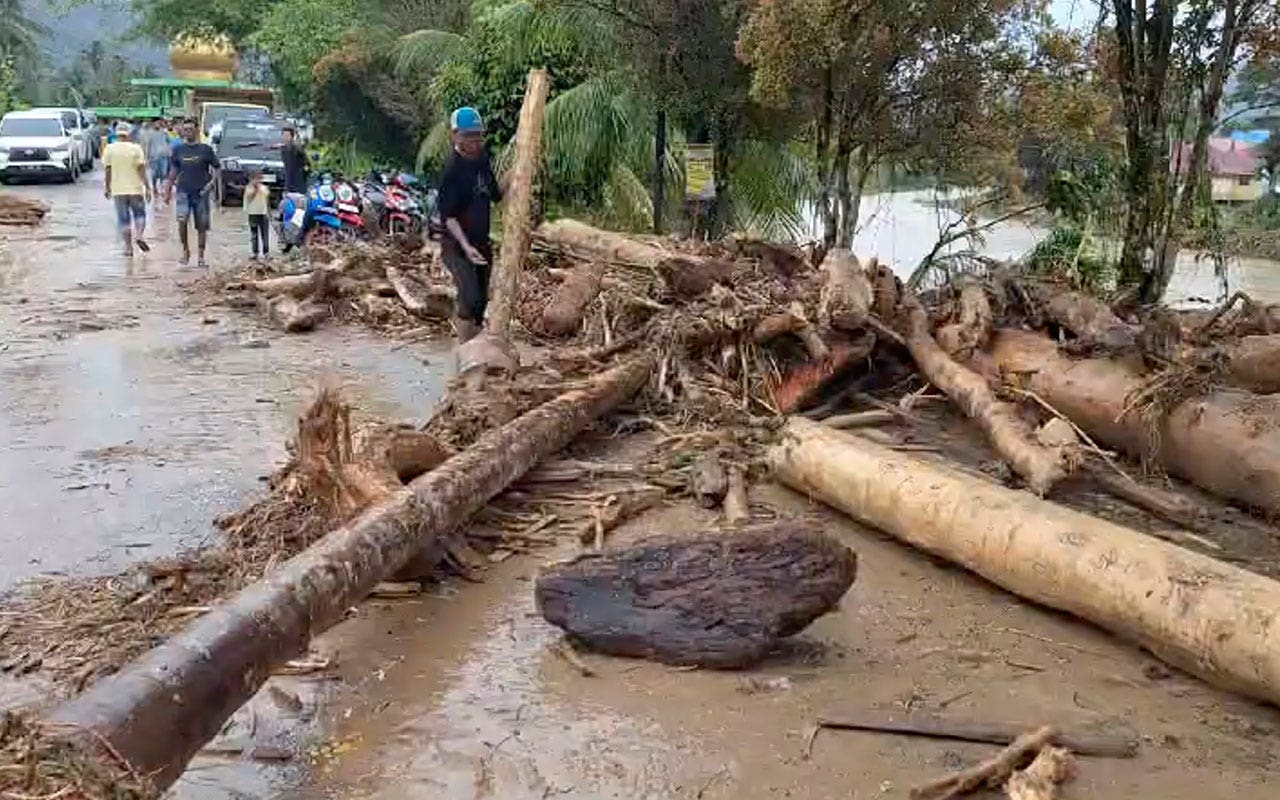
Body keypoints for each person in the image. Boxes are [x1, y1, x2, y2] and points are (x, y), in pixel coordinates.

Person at [437, 106, 501, 343]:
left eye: (477, 135)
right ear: (455, 135)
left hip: (481, 242)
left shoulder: (483, 159)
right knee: (469, 297)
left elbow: (495, 193)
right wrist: (466, 247)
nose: (474, 141)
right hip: (456, 245)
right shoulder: (451, 171)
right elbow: (449, 217)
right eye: (468, 136)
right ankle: (465, 351)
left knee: (482, 301)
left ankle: (478, 347)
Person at [166, 119, 220, 267]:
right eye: (185, 129)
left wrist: (211, 184)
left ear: (196, 130)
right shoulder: (178, 150)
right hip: (183, 191)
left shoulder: (206, 150)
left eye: (190, 129)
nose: (187, 132)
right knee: (182, 221)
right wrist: (167, 189)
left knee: (201, 225)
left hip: (202, 192)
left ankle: (201, 256)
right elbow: (173, 170)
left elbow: (217, 168)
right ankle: (185, 251)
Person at [102, 122, 151, 257]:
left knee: (124, 220)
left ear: (116, 134)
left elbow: (108, 170)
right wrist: (147, 187)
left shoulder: (109, 149)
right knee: (140, 215)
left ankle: (128, 248)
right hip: (135, 189)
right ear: (129, 134)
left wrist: (107, 187)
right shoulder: (136, 149)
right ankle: (139, 235)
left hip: (118, 190)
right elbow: (141, 169)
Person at [138, 121, 172, 201]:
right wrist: (146, 157)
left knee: (163, 173)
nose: (157, 125)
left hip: (164, 156)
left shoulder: (164, 133)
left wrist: (169, 153)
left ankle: (162, 190)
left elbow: (169, 142)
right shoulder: (150, 134)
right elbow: (147, 145)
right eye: (156, 124)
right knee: (155, 174)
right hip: (153, 157)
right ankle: (155, 188)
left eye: (159, 124)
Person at [244, 170, 271, 260]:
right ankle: (255, 252)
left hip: (263, 214)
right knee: (254, 234)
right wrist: (255, 189)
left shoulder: (264, 188)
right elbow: (249, 198)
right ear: (251, 179)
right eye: (255, 179)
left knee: (265, 234)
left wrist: (268, 213)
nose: (257, 181)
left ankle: (266, 252)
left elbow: (267, 201)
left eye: (259, 179)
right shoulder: (248, 188)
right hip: (252, 214)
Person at [280, 126, 310, 194]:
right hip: (288, 181)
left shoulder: (297, 148)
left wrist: (304, 172)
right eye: (284, 135)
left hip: (298, 182)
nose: (286, 138)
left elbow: (306, 163)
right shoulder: (283, 149)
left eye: (287, 135)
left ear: (292, 136)